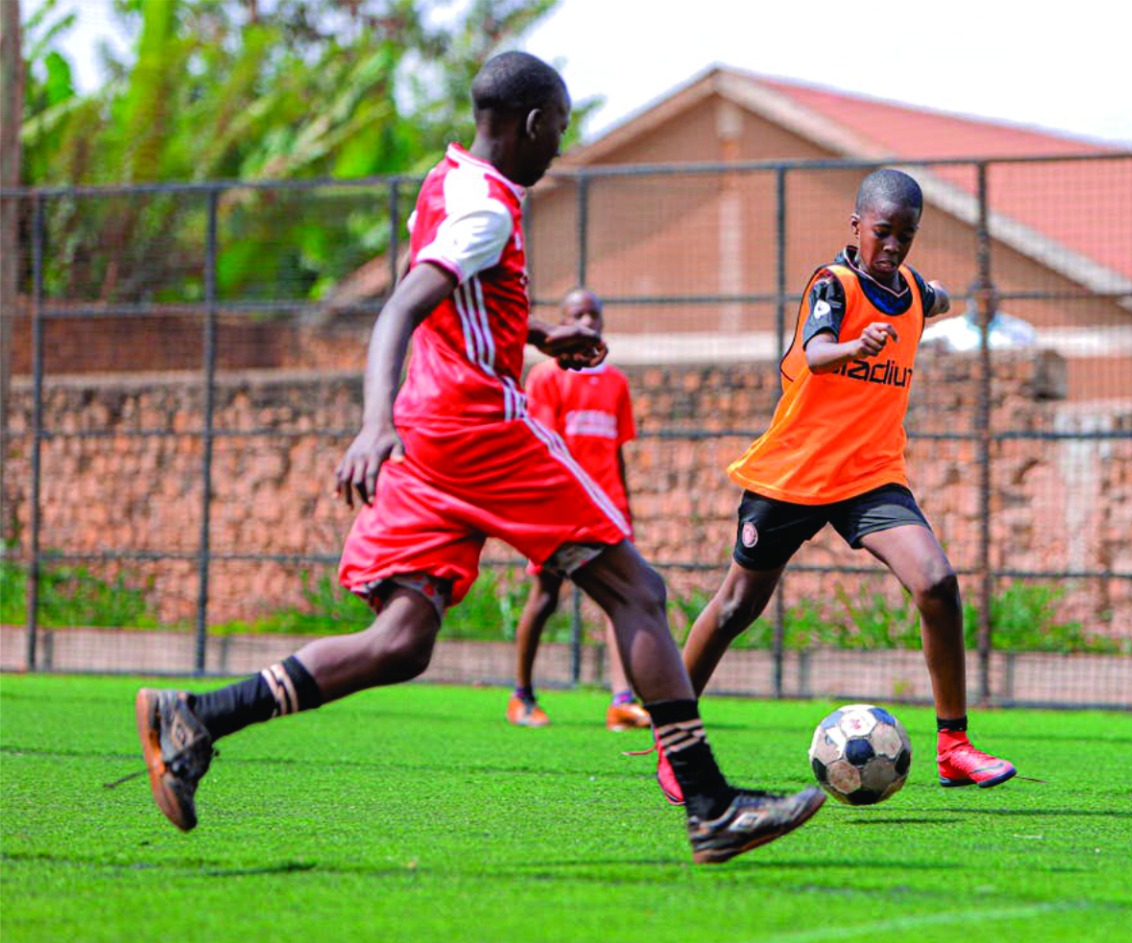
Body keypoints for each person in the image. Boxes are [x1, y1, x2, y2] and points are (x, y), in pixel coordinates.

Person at [133, 52, 823, 865]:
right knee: (637, 589)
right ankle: (709, 804)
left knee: (402, 640)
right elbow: (401, 309)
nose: (559, 147)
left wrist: (538, 335)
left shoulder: (447, 182)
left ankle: (198, 717)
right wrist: (370, 424)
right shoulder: (489, 209)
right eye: (558, 130)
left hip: (429, 438)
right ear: (530, 124)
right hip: (479, 432)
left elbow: (455, 298)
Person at [659, 168, 1018, 805]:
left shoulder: (909, 288)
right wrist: (858, 343)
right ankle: (674, 742)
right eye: (882, 232)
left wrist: (937, 297)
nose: (893, 245)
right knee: (738, 606)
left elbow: (935, 298)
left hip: (869, 475)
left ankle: (954, 747)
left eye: (906, 235)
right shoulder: (832, 284)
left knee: (937, 582)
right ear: (856, 226)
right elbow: (817, 351)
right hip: (794, 472)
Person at [509, 288, 650, 732]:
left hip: (606, 508)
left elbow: (617, 451)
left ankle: (621, 701)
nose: (587, 321)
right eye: (577, 315)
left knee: (620, 599)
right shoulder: (546, 377)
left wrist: (624, 506)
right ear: (562, 322)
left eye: (593, 315)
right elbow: (544, 447)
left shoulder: (617, 382)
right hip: (560, 506)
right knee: (545, 597)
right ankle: (521, 696)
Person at [921, 279, 1036, 354]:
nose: (984, 305)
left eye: (989, 300)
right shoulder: (948, 330)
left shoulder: (1017, 330)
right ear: (969, 301)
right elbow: (922, 342)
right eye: (979, 300)